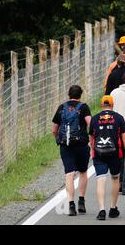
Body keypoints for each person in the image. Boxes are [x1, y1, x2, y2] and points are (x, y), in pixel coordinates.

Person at [89, 95, 125, 220]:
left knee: (100, 180)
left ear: (102, 105)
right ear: (112, 105)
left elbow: (91, 137)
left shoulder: (95, 119)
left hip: (99, 153)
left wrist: (93, 151)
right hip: (115, 154)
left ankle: (102, 210)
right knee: (115, 178)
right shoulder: (119, 118)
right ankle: (113, 208)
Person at [52, 85, 92, 216]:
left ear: (69, 94)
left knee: (69, 173)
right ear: (80, 95)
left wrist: (59, 139)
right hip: (81, 144)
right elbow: (90, 123)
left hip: (66, 145)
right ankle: (81, 201)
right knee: (83, 172)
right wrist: (91, 138)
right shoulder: (84, 107)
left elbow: (54, 129)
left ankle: (71, 204)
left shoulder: (62, 107)